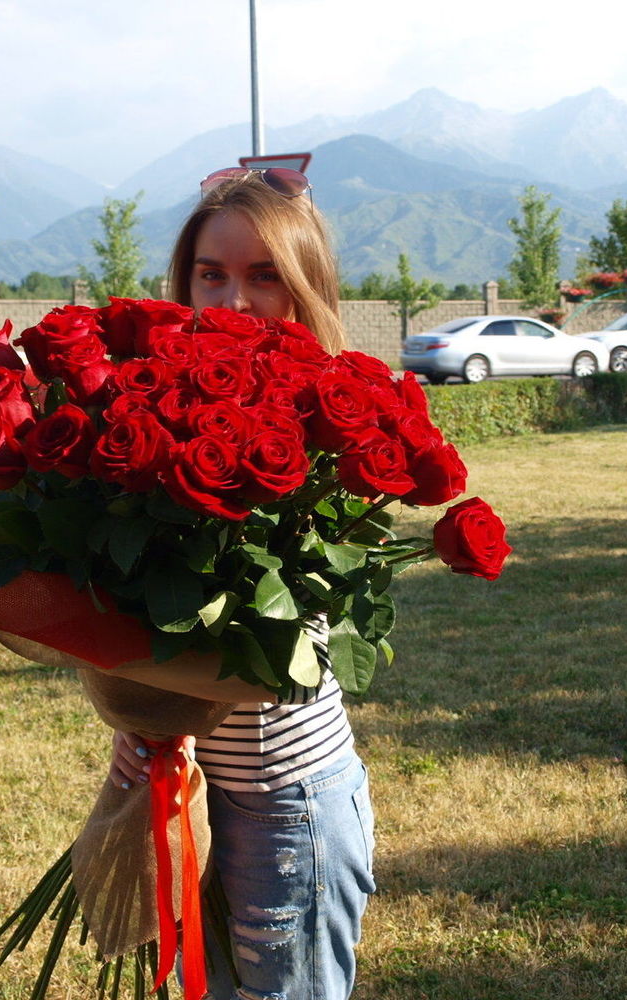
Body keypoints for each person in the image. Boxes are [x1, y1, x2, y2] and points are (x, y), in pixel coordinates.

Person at [106, 168, 377, 1000]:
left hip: (284, 800)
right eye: (211, 274)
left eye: (265, 276)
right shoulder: (158, 408)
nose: (233, 300)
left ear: (304, 287)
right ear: (183, 283)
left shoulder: (328, 430)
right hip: (186, 782)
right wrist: (139, 715)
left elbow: (274, 644)